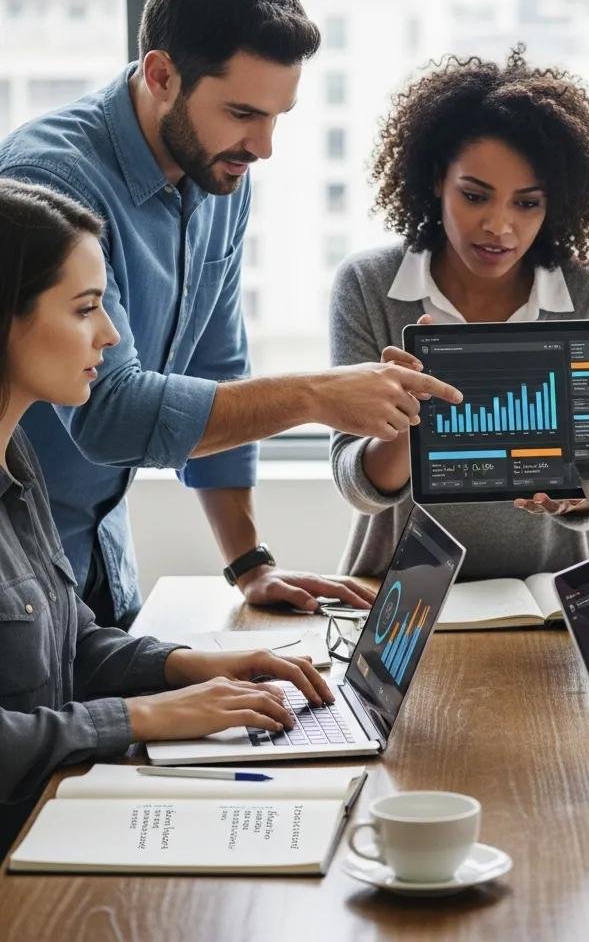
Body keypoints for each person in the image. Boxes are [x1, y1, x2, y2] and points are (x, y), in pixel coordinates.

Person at [0, 0, 459, 628]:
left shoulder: (219, 174)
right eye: (243, 112)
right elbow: (109, 415)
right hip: (17, 573)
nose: (264, 146)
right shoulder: (52, 179)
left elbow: (218, 367)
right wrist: (315, 395)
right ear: (161, 75)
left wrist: (250, 564)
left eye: (277, 115)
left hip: (96, 562)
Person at [0, 178, 337, 856]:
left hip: (49, 814)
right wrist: (144, 716)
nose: (110, 334)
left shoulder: (17, 458)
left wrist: (193, 666)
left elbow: (70, 643)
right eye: (85, 309)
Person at [329, 48, 589, 580]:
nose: (499, 226)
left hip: (553, 594)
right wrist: (408, 421)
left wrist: (581, 493)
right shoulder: (368, 285)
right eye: (475, 196)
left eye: (527, 203)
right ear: (435, 180)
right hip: (402, 595)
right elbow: (357, 485)